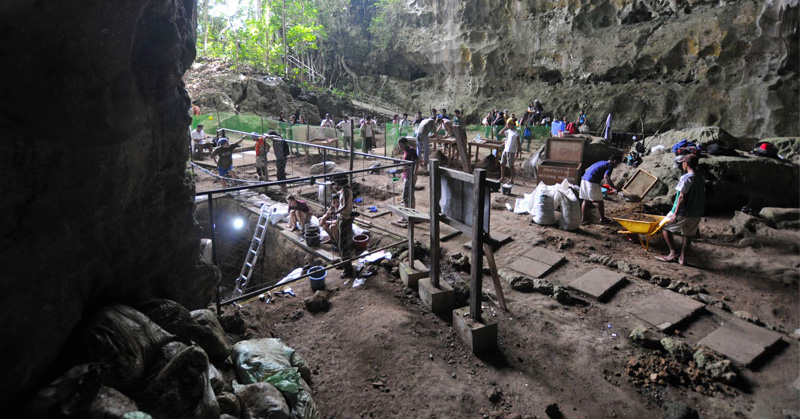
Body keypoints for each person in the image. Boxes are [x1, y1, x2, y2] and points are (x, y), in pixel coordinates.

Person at [657, 154, 705, 265]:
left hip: (683, 212)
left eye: (683, 163)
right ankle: (682, 258)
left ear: (686, 163)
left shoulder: (686, 178)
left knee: (665, 227)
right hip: (696, 212)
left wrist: (675, 213)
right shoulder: (701, 178)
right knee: (687, 234)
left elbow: (681, 197)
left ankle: (673, 253)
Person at [579, 155, 622, 224]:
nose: (617, 166)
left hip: (584, 180)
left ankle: (583, 219)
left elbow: (595, 172)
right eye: (618, 163)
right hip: (592, 181)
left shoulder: (601, 162)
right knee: (600, 201)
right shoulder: (609, 165)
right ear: (615, 161)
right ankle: (602, 218)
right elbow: (606, 177)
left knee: (585, 200)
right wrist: (613, 188)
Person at [333, 178, 355, 278]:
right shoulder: (343, 190)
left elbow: (345, 206)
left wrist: (336, 212)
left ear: (340, 183)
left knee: (343, 244)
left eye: (336, 182)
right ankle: (344, 263)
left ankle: (348, 269)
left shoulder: (347, 191)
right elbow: (338, 194)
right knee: (340, 243)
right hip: (341, 217)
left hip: (345, 218)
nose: (335, 184)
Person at [398, 137, 419, 213]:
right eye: (399, 146)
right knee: (409, 194)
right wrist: (403, 176)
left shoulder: (411, 150)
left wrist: (415, 175)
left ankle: (409, 213)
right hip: (406, 174)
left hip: (410, 175)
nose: (400, 147)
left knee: (406, 196)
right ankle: (411, 213)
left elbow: (417, 162)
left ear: (406, 143)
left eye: (401, 145)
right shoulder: (405, 150)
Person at [498, 119, 519, 184]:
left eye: (509, 124)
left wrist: (517, 152)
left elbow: (518, 143)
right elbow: (500, 133)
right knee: (502, 163)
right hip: (506, 150)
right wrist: (505, 127)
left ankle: (511, 179)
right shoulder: (508, 131)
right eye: (508, 124)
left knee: (511, 166)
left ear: (512, 124)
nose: (508, 125)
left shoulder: (516, 133)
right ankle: (502, 178)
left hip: (511, 151)